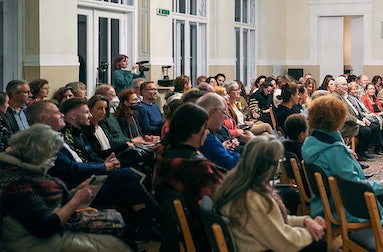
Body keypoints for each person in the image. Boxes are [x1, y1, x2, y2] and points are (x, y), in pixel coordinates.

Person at [32, 99, 163, 243]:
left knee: (128, 176)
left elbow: (89, 156)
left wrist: (107, 163)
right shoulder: (44, 141)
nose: (61, 115)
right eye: (57, 113)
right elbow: (71, 168)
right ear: (42, 118)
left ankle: (148, 224)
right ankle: (154, 221)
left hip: (84, 179)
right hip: (74, 187)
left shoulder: (66, 135)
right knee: (127, 179)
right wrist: (104, 167)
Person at [0, 124, 131, 251]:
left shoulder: (24, 171)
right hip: (33, 242)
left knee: (122, 228)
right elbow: (44, 228)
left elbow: (48, 206)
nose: (54, 158)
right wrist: (76, 200)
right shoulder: (18, 184)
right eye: (52, 154)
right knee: (116, 239)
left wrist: (76, 191)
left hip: (47, 234)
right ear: (38, 152)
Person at [302, 96, 383, 226]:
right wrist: (379, 186)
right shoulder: (335, 151)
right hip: (345, 206)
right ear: (336, 119)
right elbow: (352, 185)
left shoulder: (311, 142)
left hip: (324, 202)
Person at [215, 135, 327, 252]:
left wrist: (305, 221)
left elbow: (271, 222)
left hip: (255, 243)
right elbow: (284, 241)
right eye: (279, 161)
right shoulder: (253, 197)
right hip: (262, 247)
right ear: (270, 166)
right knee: (319, 243)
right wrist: (311, 232)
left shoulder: (237, 184)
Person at [153, 102, 226, 251]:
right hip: (206, 236)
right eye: (205, 128)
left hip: (181, 235)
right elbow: (221, 201)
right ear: (195, 131)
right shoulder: (197, 168)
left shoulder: (164, 155)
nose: (207, 132)